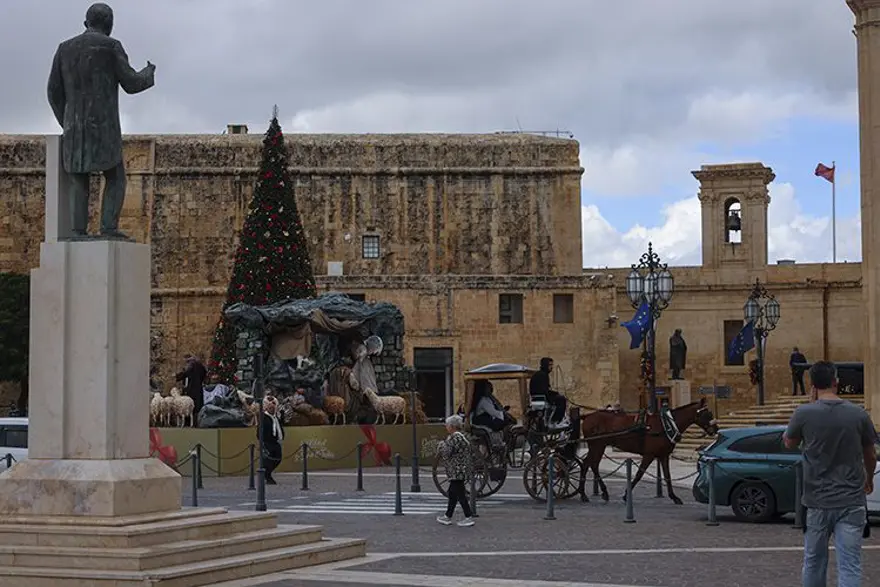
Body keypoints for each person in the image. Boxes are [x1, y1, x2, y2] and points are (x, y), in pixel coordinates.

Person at [47, 3, 156, 240]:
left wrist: (66, 121)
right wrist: (148, 73)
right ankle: (108, 228)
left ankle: (77, 231)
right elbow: (132, 83)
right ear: (110, 24)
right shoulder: (111, 46)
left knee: (79, 179)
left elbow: (53, 92)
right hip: (104, 127)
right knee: (116, 177)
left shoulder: (64, 49)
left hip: (74, 128)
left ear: (86, 23)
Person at [783, 361, 877, 587]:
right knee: (850, 564)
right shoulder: (858, 414)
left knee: (814, 561)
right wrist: (869, 478)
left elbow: (789, 442)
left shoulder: (804, 413)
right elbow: (870, 454)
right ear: (836, 382)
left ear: (812, 384)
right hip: (851, 499)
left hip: (817, 500)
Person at [435, 415, 475, 527]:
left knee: (460, 494)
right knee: (453, 493)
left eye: (447, 425)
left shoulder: (454, 438)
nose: (446, 427)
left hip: (457, 470)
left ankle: (468, 516)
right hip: (460, 469)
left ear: (452, 426)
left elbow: (447, 453)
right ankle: (448, 516)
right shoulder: (460, 437)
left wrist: (441, 445)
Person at [529, 357, 568, 427]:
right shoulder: (543, 375)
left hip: (537, 398)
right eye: (550, 365)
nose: (551, 367)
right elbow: (544, 391)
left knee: (559, 397)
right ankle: (555, 421)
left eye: (552, 365)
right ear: (545, 365)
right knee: (562, 400)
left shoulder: (539, 374)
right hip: (542, 398)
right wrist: (555, 395)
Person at [175, 354, 207, 426]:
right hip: (196, 388)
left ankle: (189, 423)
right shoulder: (200, 366)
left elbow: (185, 374)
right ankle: (195, 422)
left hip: (192, 389)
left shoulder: (192, 365)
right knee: (196, 406)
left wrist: (176, 377)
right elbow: (204, 374)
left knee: (190, 406)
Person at [260, 395, 284, 485]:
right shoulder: (264, 417)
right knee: (268, 460)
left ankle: (267, 474)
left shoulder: (276, 417)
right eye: (270, 407)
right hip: (267, 442)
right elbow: (260, 431)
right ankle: (267, 475)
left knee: (278, 458)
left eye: (273, 407)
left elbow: (279, 427)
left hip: (276, 442)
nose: (272, 409)